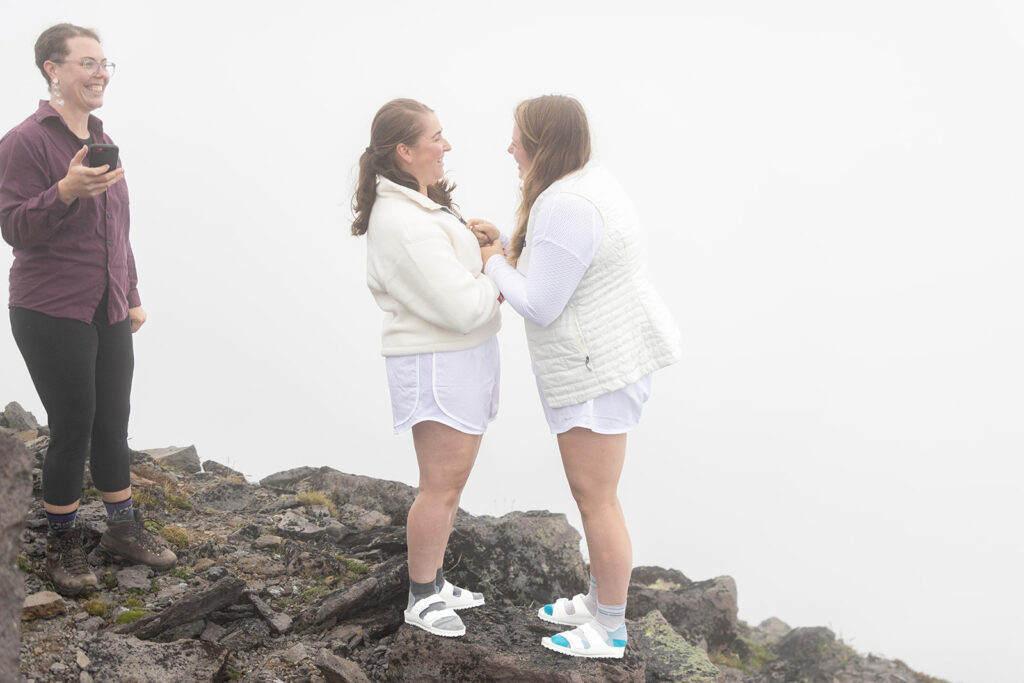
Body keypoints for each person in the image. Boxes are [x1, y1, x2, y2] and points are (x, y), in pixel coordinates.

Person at [471, 95, 682, 658]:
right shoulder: (584, 185)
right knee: (597, 498)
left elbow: (541, 304)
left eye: (517, 138)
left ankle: (610, 629)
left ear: (540, 144)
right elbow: (562, 265)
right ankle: (598, 601)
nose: (509, 147)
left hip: (597, 373)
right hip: (606, 364)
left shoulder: (568, 205)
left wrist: (492, 261)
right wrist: (509, 245)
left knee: (597, 501)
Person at [0, 23, 176, 597]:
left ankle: (122, 528)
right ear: (52, 69)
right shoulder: (25, 141)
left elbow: (116, 228)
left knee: (113, 420)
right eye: (87, 63)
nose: (100, 74)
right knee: (73, 424)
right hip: (49, 305)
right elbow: (14, 227)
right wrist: (65, 191)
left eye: (105, 64)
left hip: (107, 303)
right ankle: (63, 542)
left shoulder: (102, 137)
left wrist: (132, 293)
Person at [351, 98, 502, 637]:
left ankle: (434, 580)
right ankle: (420, 597)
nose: (447, 146)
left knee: (450, 483)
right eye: (436, 138)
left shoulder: (421, 203)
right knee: (439, 485)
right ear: (404, 150)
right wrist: (497, 270)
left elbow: (458, 285)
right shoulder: (401, 221)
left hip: (457, 358)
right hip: (437, 362)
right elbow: (461, 308)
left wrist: (486, 250)